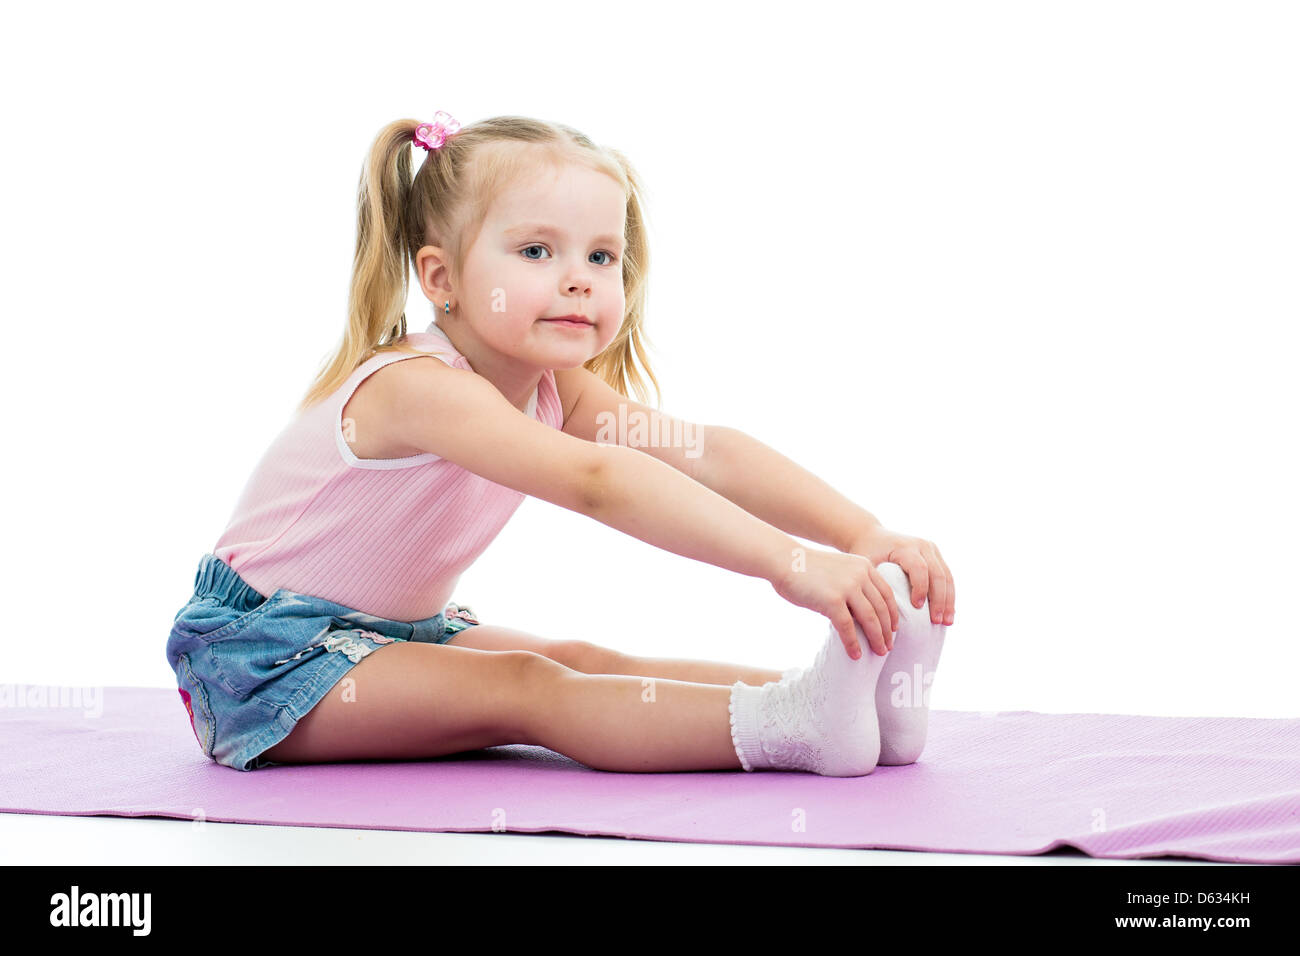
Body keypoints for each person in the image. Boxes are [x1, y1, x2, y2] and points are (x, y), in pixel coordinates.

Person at [165, 112, 956, 776]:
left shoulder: (555, 388)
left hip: (391, 635)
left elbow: (702, 450)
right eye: (537, 252)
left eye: (601, 256)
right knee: (528, 686)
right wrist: (792, 563)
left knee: (583, 656)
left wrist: (861, 534)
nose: (579, 278)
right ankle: (794, 726)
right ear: (441, 279)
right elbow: (595, 481)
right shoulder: (418, 386)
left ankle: (846, 697)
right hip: (262, 657)